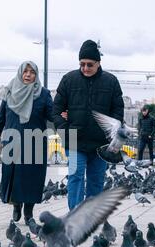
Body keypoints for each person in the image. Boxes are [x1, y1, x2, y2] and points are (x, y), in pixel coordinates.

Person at [53, 40, 124, 210]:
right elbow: (55, 110)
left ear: (98, 63)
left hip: (101, 143)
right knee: (75, 175)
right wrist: (64, 129)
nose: (85, 68)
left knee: (96, 179)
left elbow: (118, 111)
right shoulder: (69, 80)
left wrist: (112, 134)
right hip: (75, 141)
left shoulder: (111, 81)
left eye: (89, 64)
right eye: (82, 64)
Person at [0, 61, 54, 224]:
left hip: (35, 142)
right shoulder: (10, 91)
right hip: (12, 142)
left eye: (32, 72)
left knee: (33, 178)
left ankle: (29, 211)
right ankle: (16, 205)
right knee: (14, 177)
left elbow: (53, 116)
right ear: (20, 73)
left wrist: (65, 117)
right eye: (25, 72)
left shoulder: (44, 94)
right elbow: (0, 117)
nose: (28, 75)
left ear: (36, 75)